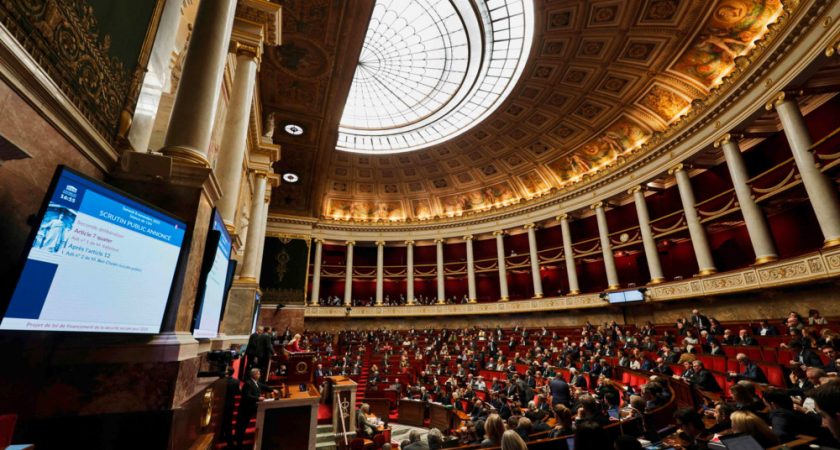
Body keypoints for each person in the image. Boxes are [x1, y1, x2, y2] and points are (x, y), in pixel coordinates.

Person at [236, 368, 277, 448]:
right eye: (258, 374)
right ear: (254, 375)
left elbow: (264, 386)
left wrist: (272, 390)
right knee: (242, 427)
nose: (260, 375)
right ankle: (238, 445)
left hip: (253, 408)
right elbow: (246, 396)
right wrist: (257, 398)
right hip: (246, 409)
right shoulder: (248, 383)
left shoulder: (255, 382)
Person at [220, 367, 240, 448]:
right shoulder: (236, 381)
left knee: (222, 421)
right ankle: (229, 441)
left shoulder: (221, 381)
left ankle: (221, 436)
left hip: (221, 404)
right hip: (231, 404)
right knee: (228, 422)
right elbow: (238, 393)